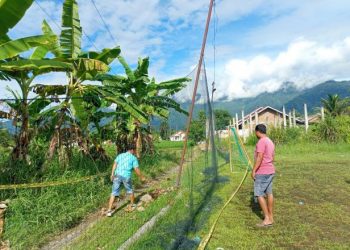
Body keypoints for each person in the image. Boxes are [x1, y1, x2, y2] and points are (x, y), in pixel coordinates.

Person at [106, 144, 145, 217]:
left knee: (114, 193)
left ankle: (109, 211)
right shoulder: (133, 158)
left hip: (117, 175)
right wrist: (141, 177)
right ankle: (132, 205)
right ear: (132, 150)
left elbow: (115, 164)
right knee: (130, 190)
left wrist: (112, 174)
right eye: (135, 150)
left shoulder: (120, 155)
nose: (135, 151)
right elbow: (136, 169)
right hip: (126, 176)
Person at [251, 124, 275, 227]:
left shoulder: (261, 142)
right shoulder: (270, 141)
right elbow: (273, 157)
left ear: (257, 131)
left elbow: (260, 157)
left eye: (255, 132)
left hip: (262, 172)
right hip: (270, 171)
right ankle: (271, 217)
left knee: (259, 194)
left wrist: (254, 170)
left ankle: (266, 219)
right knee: (269, 193)